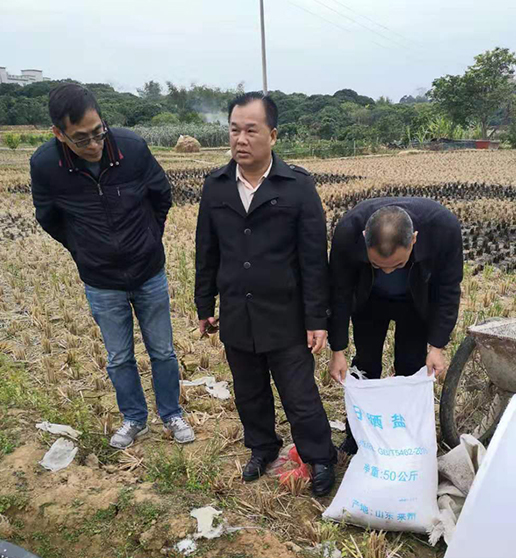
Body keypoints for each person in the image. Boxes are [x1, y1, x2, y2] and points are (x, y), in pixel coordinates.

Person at [30, 84, 194, 450]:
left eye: (98, 131)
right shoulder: (45, 165)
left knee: (163, 351)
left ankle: (171, 413)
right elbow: (48, 217)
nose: (93, 144)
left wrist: (148, 238)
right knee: (119, 358)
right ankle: (134, 418)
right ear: (59, 133)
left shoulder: (131, 148)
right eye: (81, 138)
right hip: (101, 280)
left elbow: (161, 195)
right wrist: (83, 249)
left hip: (148, 271)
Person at [194, 91, 336, 496]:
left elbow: (314, 259)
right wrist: (204, 304)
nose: (241, 139)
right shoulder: (217, 187)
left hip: (285, 314)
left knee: (299, 394)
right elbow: (206, 250)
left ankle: (320, 456)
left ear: (272, 135)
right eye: (234, 130)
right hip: (237, 310)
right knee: (249, 391)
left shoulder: (297, 187)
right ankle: (262, 447)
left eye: (251, 131)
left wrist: (317, 319)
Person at [328, 198, 463, 453]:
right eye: (377, 265)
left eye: (398, 265)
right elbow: (339, 292)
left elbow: (448, 290)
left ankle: (405, 437)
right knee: (366, 365)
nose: (388, 272)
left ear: (414, 240)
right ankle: (358, 436)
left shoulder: (443, 228)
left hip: (415, 301)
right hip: (369, 300)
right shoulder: (349, 230)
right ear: (364, 238)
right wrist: (337, 350)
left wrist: (437, 346)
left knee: (410, 366)